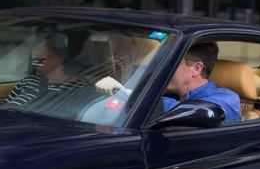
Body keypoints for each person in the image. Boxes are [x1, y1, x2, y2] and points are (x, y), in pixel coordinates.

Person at [96, 41, 240, 122]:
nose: (164, 69)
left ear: (196, 68)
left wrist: (131, 94)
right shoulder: (168, 95)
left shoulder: (227, 99)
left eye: (172, 63)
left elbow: (192, 111)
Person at [4, 31, 88, 106]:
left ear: (60, 55)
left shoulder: (80, 91)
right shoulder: (29, 80)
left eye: (40, 47)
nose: (34, 53)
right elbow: (5, 107)